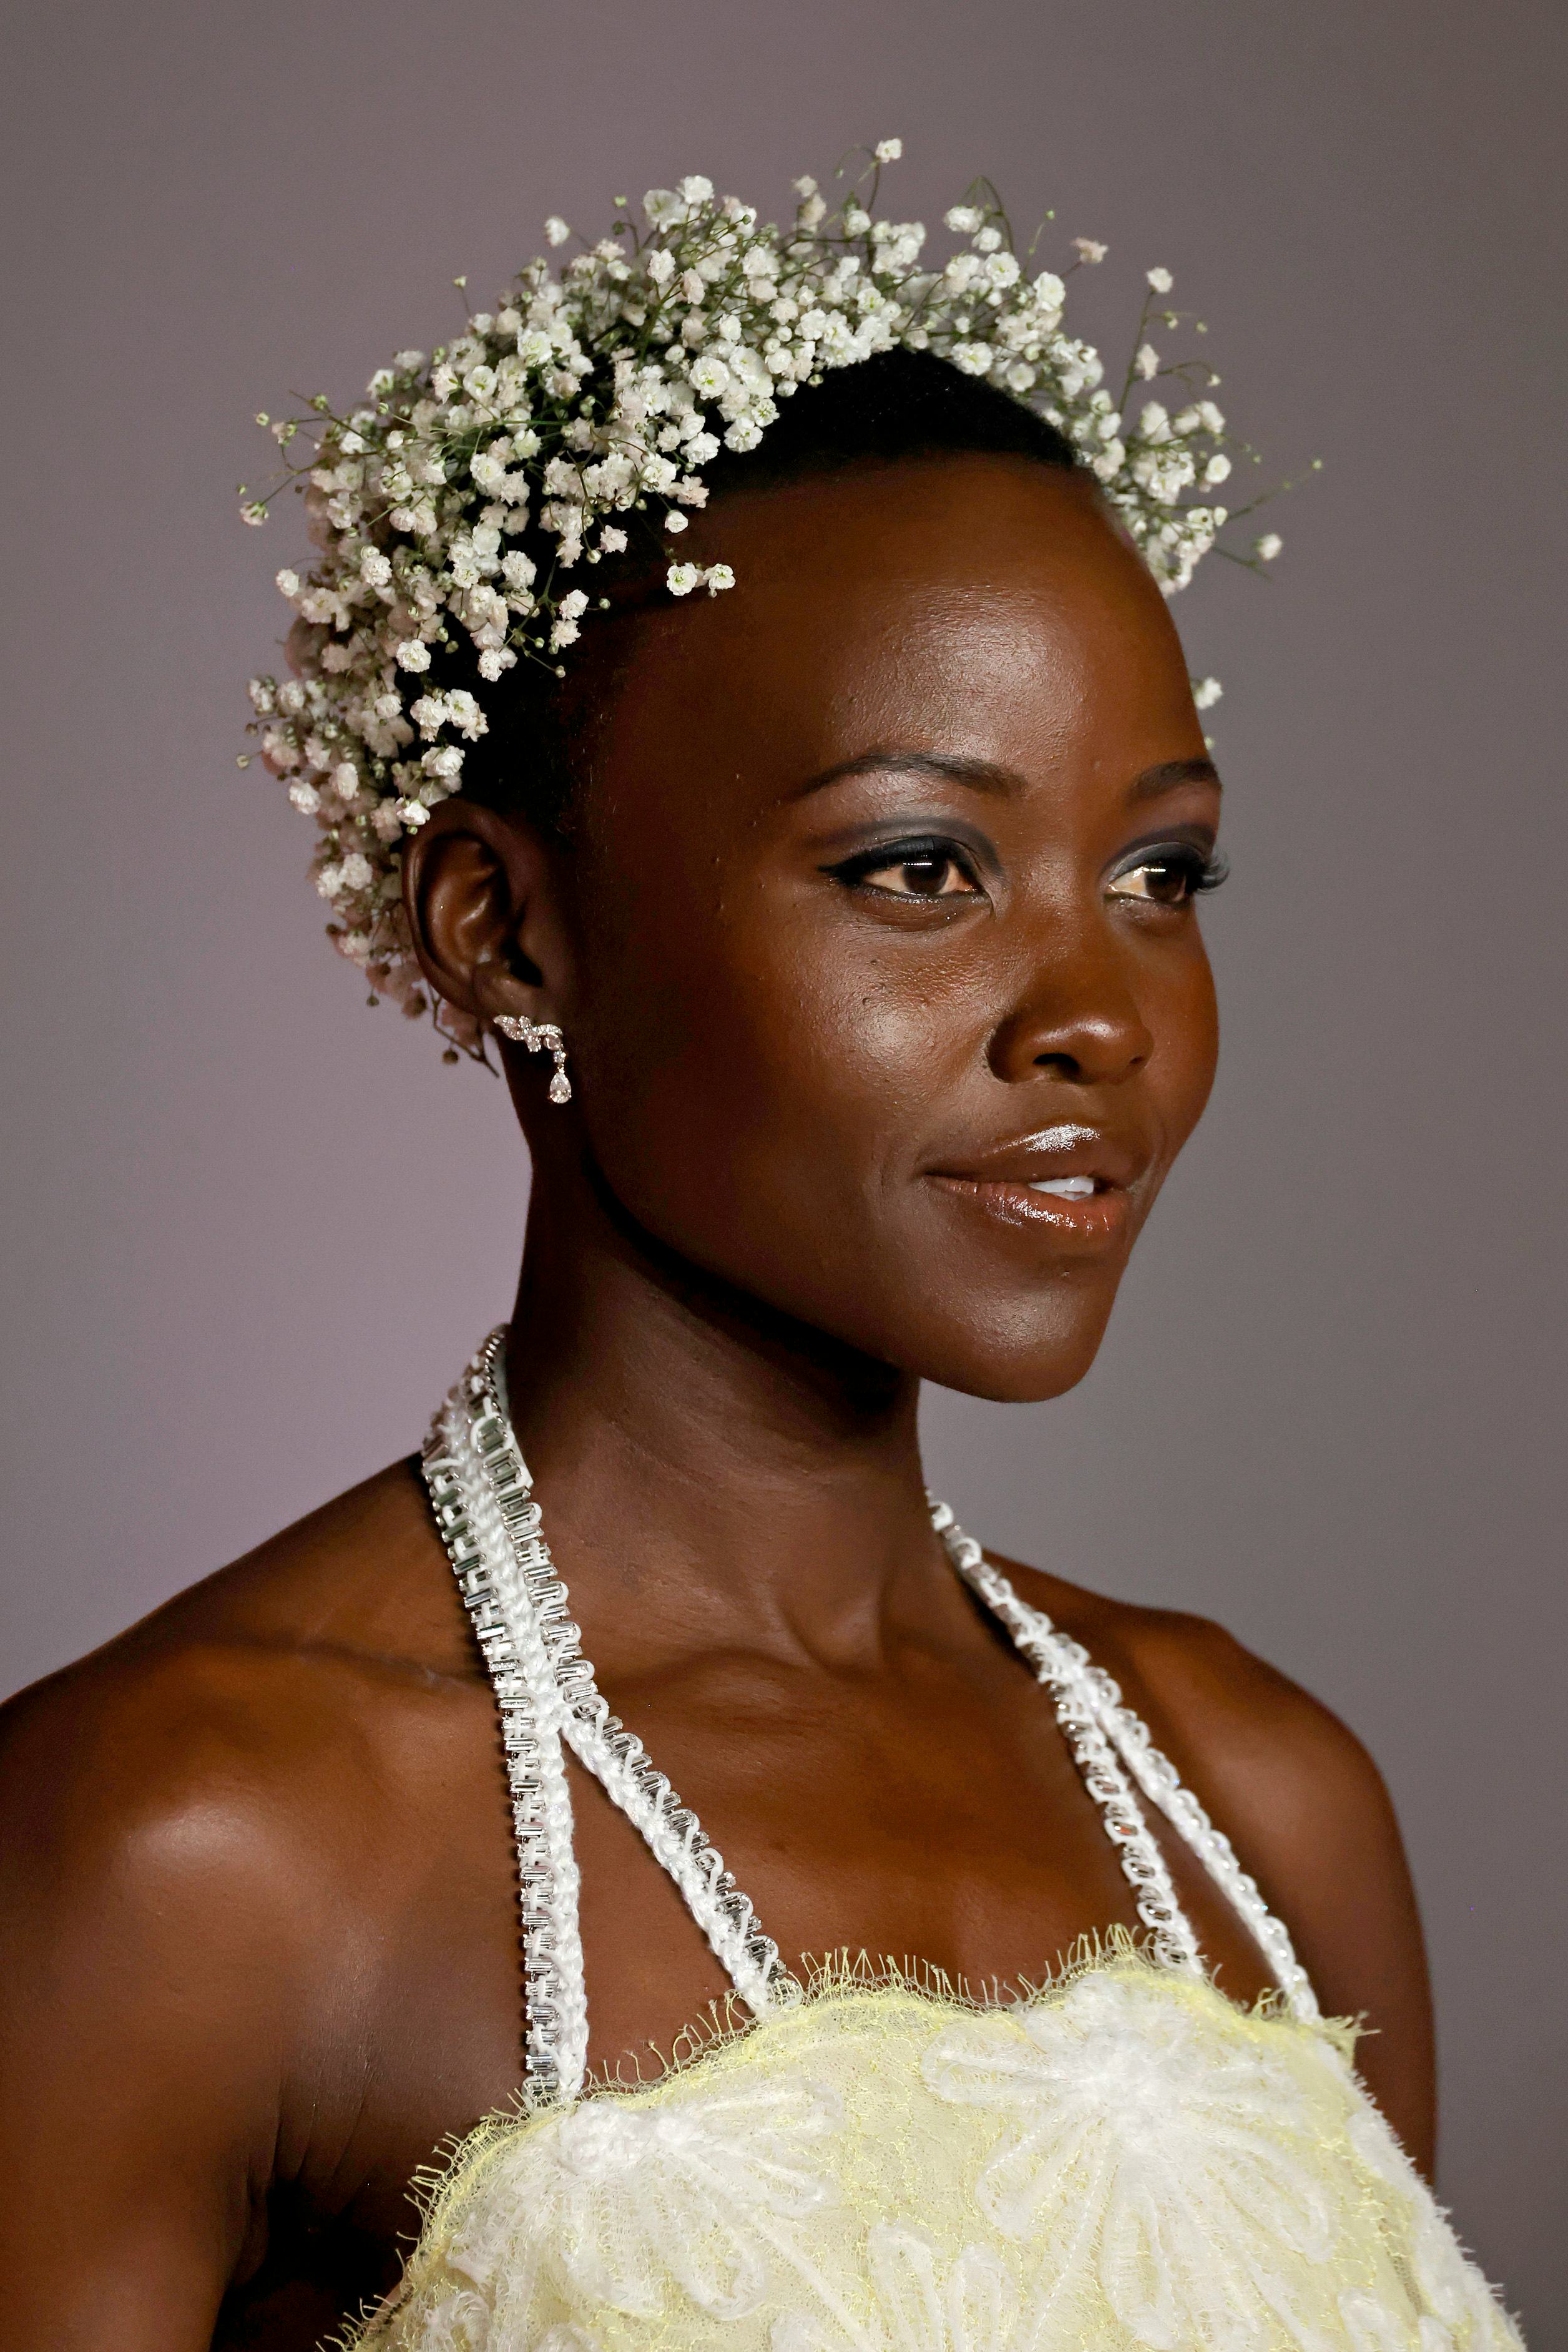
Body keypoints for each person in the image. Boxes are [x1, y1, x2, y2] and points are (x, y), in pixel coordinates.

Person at [0, 160, 1521, 2350]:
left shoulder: (1260, 1807)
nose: (1104, 1010)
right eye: (922, 866)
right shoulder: (192, 1849)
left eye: (1164, 871)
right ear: (509, 928)